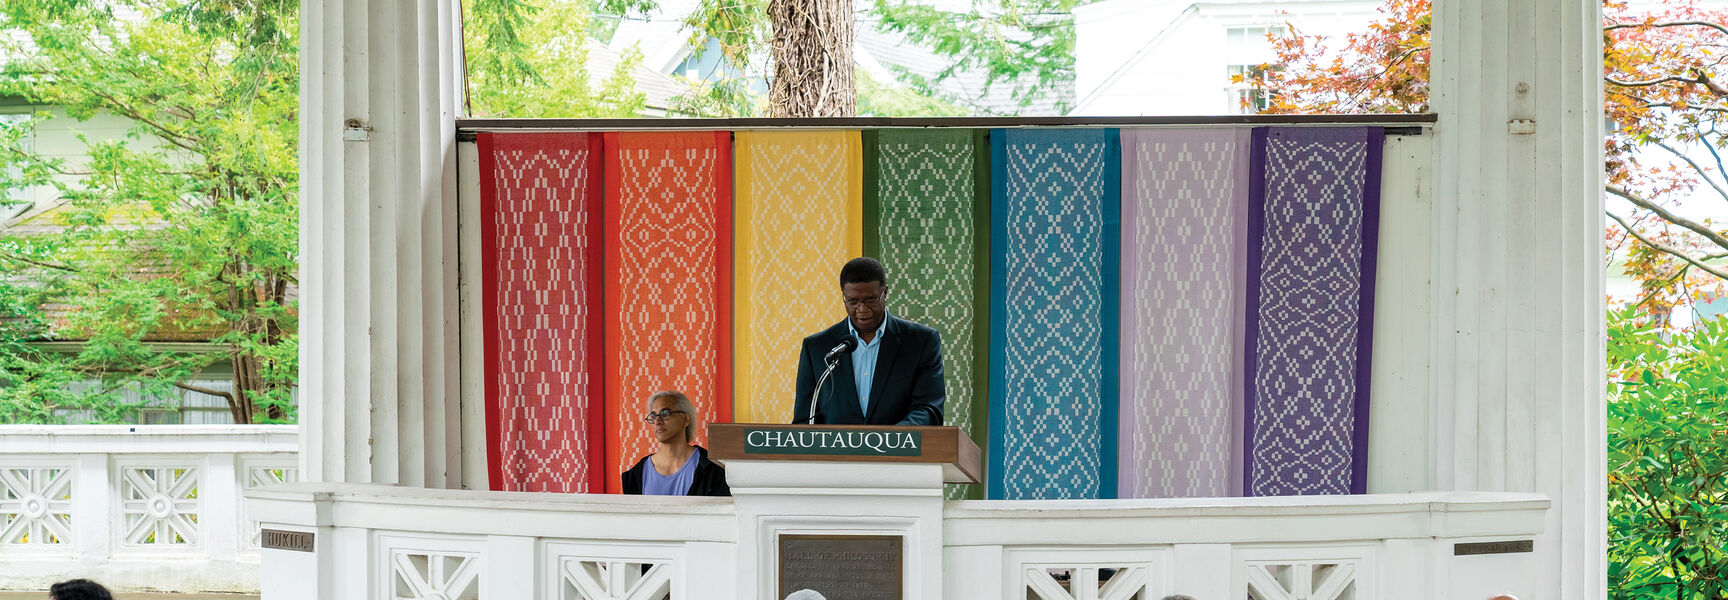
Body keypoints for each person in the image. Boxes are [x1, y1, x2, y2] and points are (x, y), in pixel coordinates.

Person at [792, 257, 945, 426]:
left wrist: (888, 439)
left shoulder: (921, 341)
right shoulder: (817, 348)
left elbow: (930, 410)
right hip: (836, 452)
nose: (862, 309)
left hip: (897, 451)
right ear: (844, 296)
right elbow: (804, 420)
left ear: (885, 293)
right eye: (853, 301)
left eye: (870, 300)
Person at [621, 390, 730, 496]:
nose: (658, 421)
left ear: (685, 419)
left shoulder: (714, 469)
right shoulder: (634, 476)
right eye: (653, 416)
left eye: (665, 413)